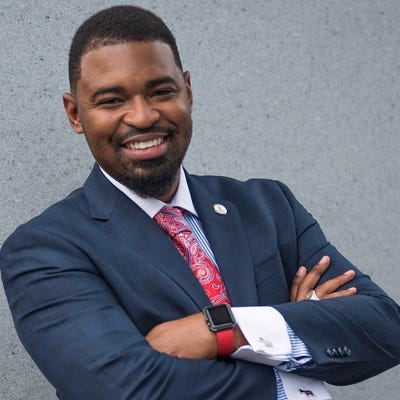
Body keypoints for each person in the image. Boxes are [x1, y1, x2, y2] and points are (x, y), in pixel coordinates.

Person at [1, 5, 399, 400]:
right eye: (112, 100)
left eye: (161, 92)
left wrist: (225, 331)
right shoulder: (44, 250)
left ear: (188, 92)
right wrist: (296, 351)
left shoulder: (268, 206)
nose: (142, 117)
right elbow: (127, 389)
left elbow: (385, 327)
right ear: (75, 114)